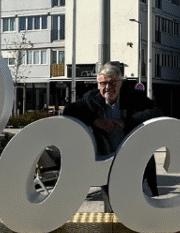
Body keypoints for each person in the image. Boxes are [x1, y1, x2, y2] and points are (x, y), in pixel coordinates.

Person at [63, 63, 162, 209]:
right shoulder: (91, 100)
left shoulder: (133, 98)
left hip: (134, 161)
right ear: (98, 85)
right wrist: (96, 122)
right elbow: (69, 111)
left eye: (112, 82)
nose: (108, 87)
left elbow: (157, 111)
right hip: (108, 163)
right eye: (103, 83)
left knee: (136, 206)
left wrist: (127, 121)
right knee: (111, 209)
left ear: (120, 83)